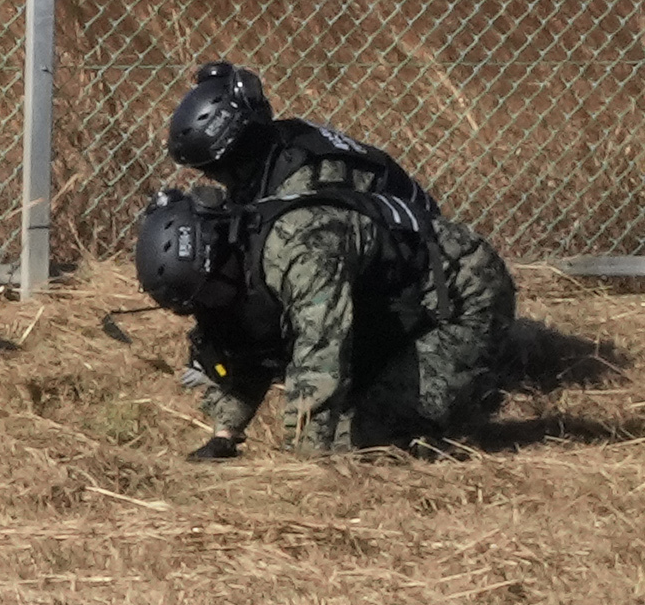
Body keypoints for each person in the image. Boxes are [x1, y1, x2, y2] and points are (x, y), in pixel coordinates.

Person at [145, 61, 515, 454]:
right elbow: (258, 333)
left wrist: (305, 461)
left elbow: (320, 347)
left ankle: (466, 385)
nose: (217, 182)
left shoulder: (303, 231)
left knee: (359, 440)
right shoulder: (256, 210)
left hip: (460, 297)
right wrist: (224, 434)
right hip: (391, 286)